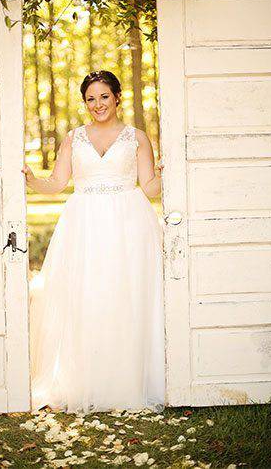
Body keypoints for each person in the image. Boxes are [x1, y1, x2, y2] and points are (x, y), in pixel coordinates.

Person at [22, 70, 166, 414]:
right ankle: (85, 380)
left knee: (125, 294)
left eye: (104, 96)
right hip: (84, 224)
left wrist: (169, 173)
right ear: (85, 102)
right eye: (91, 98)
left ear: (117, 97)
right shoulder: (73, 138)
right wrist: (29, 179)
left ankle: (128, 380)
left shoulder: (137, 138)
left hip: (129, 222)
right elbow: (57, 183)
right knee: (87, 295)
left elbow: (148, 187)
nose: (98, 104)